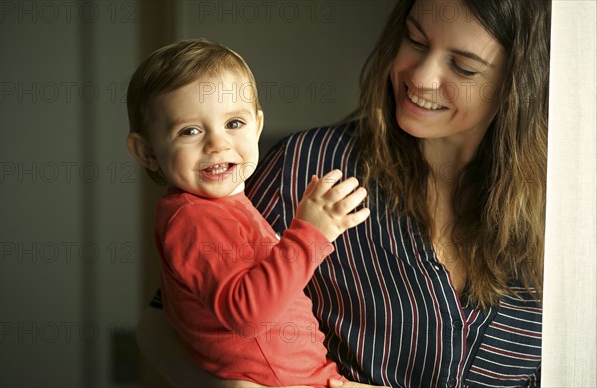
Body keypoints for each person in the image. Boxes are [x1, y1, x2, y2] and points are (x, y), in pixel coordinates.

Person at [134, 0, 551, 386]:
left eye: (462, 67)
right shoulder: (306, 166)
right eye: (415, 40)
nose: (420, 77)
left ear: (517, 83)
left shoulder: (565, 206)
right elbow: (164, 321)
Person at [125, 39, 374, 387]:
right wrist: (310, 233)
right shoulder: (194, 220)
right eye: (190, 131)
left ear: (257, 126)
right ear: (147, 151)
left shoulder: (220, 205)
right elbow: (248, 315)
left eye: (234, 124)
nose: (217, 144)